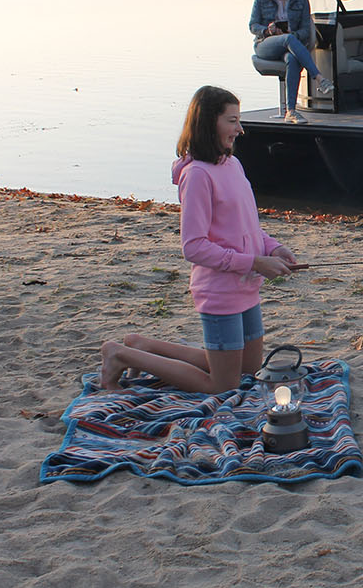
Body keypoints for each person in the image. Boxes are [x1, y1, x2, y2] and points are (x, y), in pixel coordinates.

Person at [99, 85, 300, 393]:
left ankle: (142, 345)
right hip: (219, 293)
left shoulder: (232, 164)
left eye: (238, 120)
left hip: (246, 287)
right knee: (224, 387)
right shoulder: (198, 176)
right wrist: (255, 261)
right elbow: (193, 246)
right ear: (209, 123)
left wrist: (273, 247)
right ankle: (120, 354)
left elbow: (245, 227)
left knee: (249, 370)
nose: (240, 129)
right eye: (232, 121)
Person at [250, 0, 332, 124]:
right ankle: (319, 78)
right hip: (265, 44)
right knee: (288, 39)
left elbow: (305, 30)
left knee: (292, 58)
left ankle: (291, 111)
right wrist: (268, 30)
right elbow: (253, 25)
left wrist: (291, 33)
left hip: (290, 46)